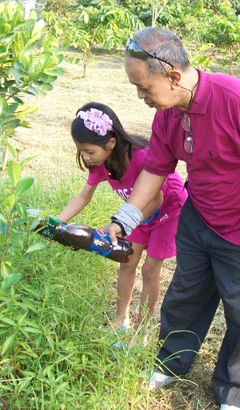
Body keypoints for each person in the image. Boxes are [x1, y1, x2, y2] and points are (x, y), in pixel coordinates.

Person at [103, 28, 240, 410]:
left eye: (143, 88)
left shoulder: (236, 98)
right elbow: (156, 169)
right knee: (185, 296)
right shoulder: (169, 113)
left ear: (173, 76)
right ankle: (171, 364)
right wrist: (124, 219)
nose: (140, 97)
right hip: (199, 219)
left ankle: (237, 390)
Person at [55, 102, 187, 332]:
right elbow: (84, 196)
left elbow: (155, 199)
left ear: (111, 143)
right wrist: (57, 223)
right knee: (126, 261)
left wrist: (123, 225)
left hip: (168, 212)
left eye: (89, 152)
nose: (86, 158)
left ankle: (142, 328)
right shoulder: (101, 163)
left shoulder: (142, 157)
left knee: (149, 270)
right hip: (137, 215)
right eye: (82, 152)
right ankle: (121, 319)